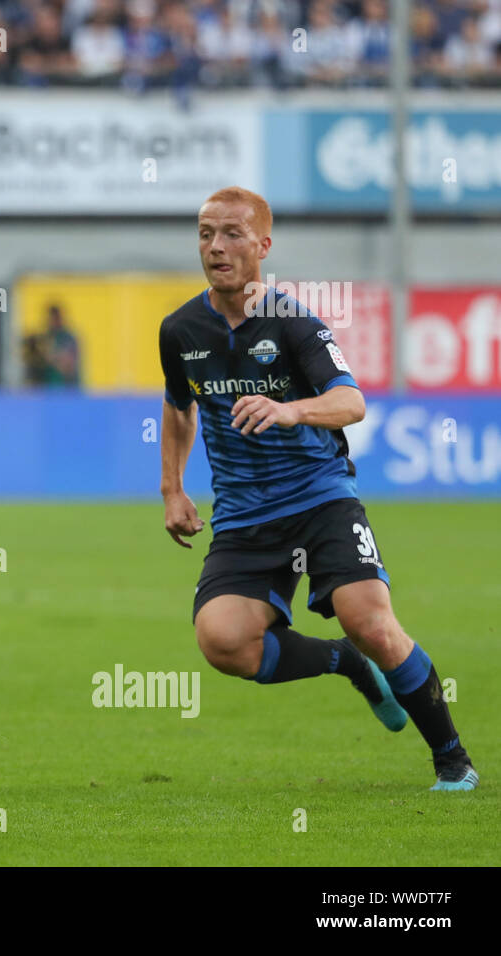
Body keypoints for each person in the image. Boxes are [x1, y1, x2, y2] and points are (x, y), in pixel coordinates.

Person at [158, 185, 476, 792]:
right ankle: (346, 665)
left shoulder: (296, 323)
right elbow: (178, 409)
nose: (216, 247)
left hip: (318, 498)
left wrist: (292, 411)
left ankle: (452, 758)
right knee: (223, 642)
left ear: (263, 245)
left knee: (371, 621)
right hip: (245, 515)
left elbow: (351, 402)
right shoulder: (180, 330)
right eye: (205, 234)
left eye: (231, 234)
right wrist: (172, 490)